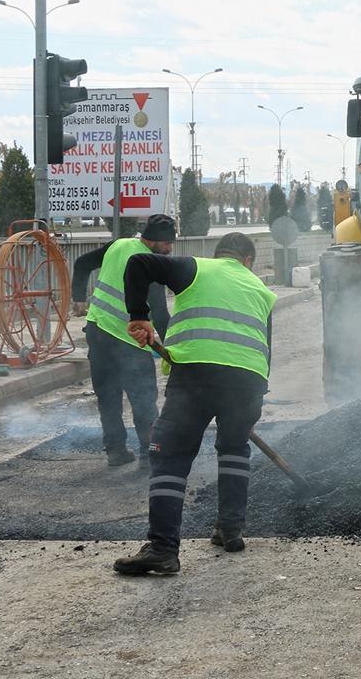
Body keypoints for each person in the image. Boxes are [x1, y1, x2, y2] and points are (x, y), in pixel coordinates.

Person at [113, 232, 277, 576]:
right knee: (234, 448)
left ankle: (163, 549)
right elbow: (265, 348)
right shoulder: (263, 291)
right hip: (249, 380)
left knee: (170, 454)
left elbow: (138, 263)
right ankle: (230, 530)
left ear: (219, 255)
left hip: (197, 374)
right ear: (248, 261)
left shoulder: (197, 268)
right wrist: (253, 398)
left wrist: (139, 315)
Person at [72, 215, 176, 467]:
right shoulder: (151, 263)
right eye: (166, 243)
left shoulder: (118, 245)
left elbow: (82, 263)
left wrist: (79, 297)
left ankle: (116, 451)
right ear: (151, 240)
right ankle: (149, 455)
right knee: (143, 398)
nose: (170, 248)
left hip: (98, 331)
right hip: (129, 340)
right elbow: (160, 314)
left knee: (108, 396)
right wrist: (174, 350)